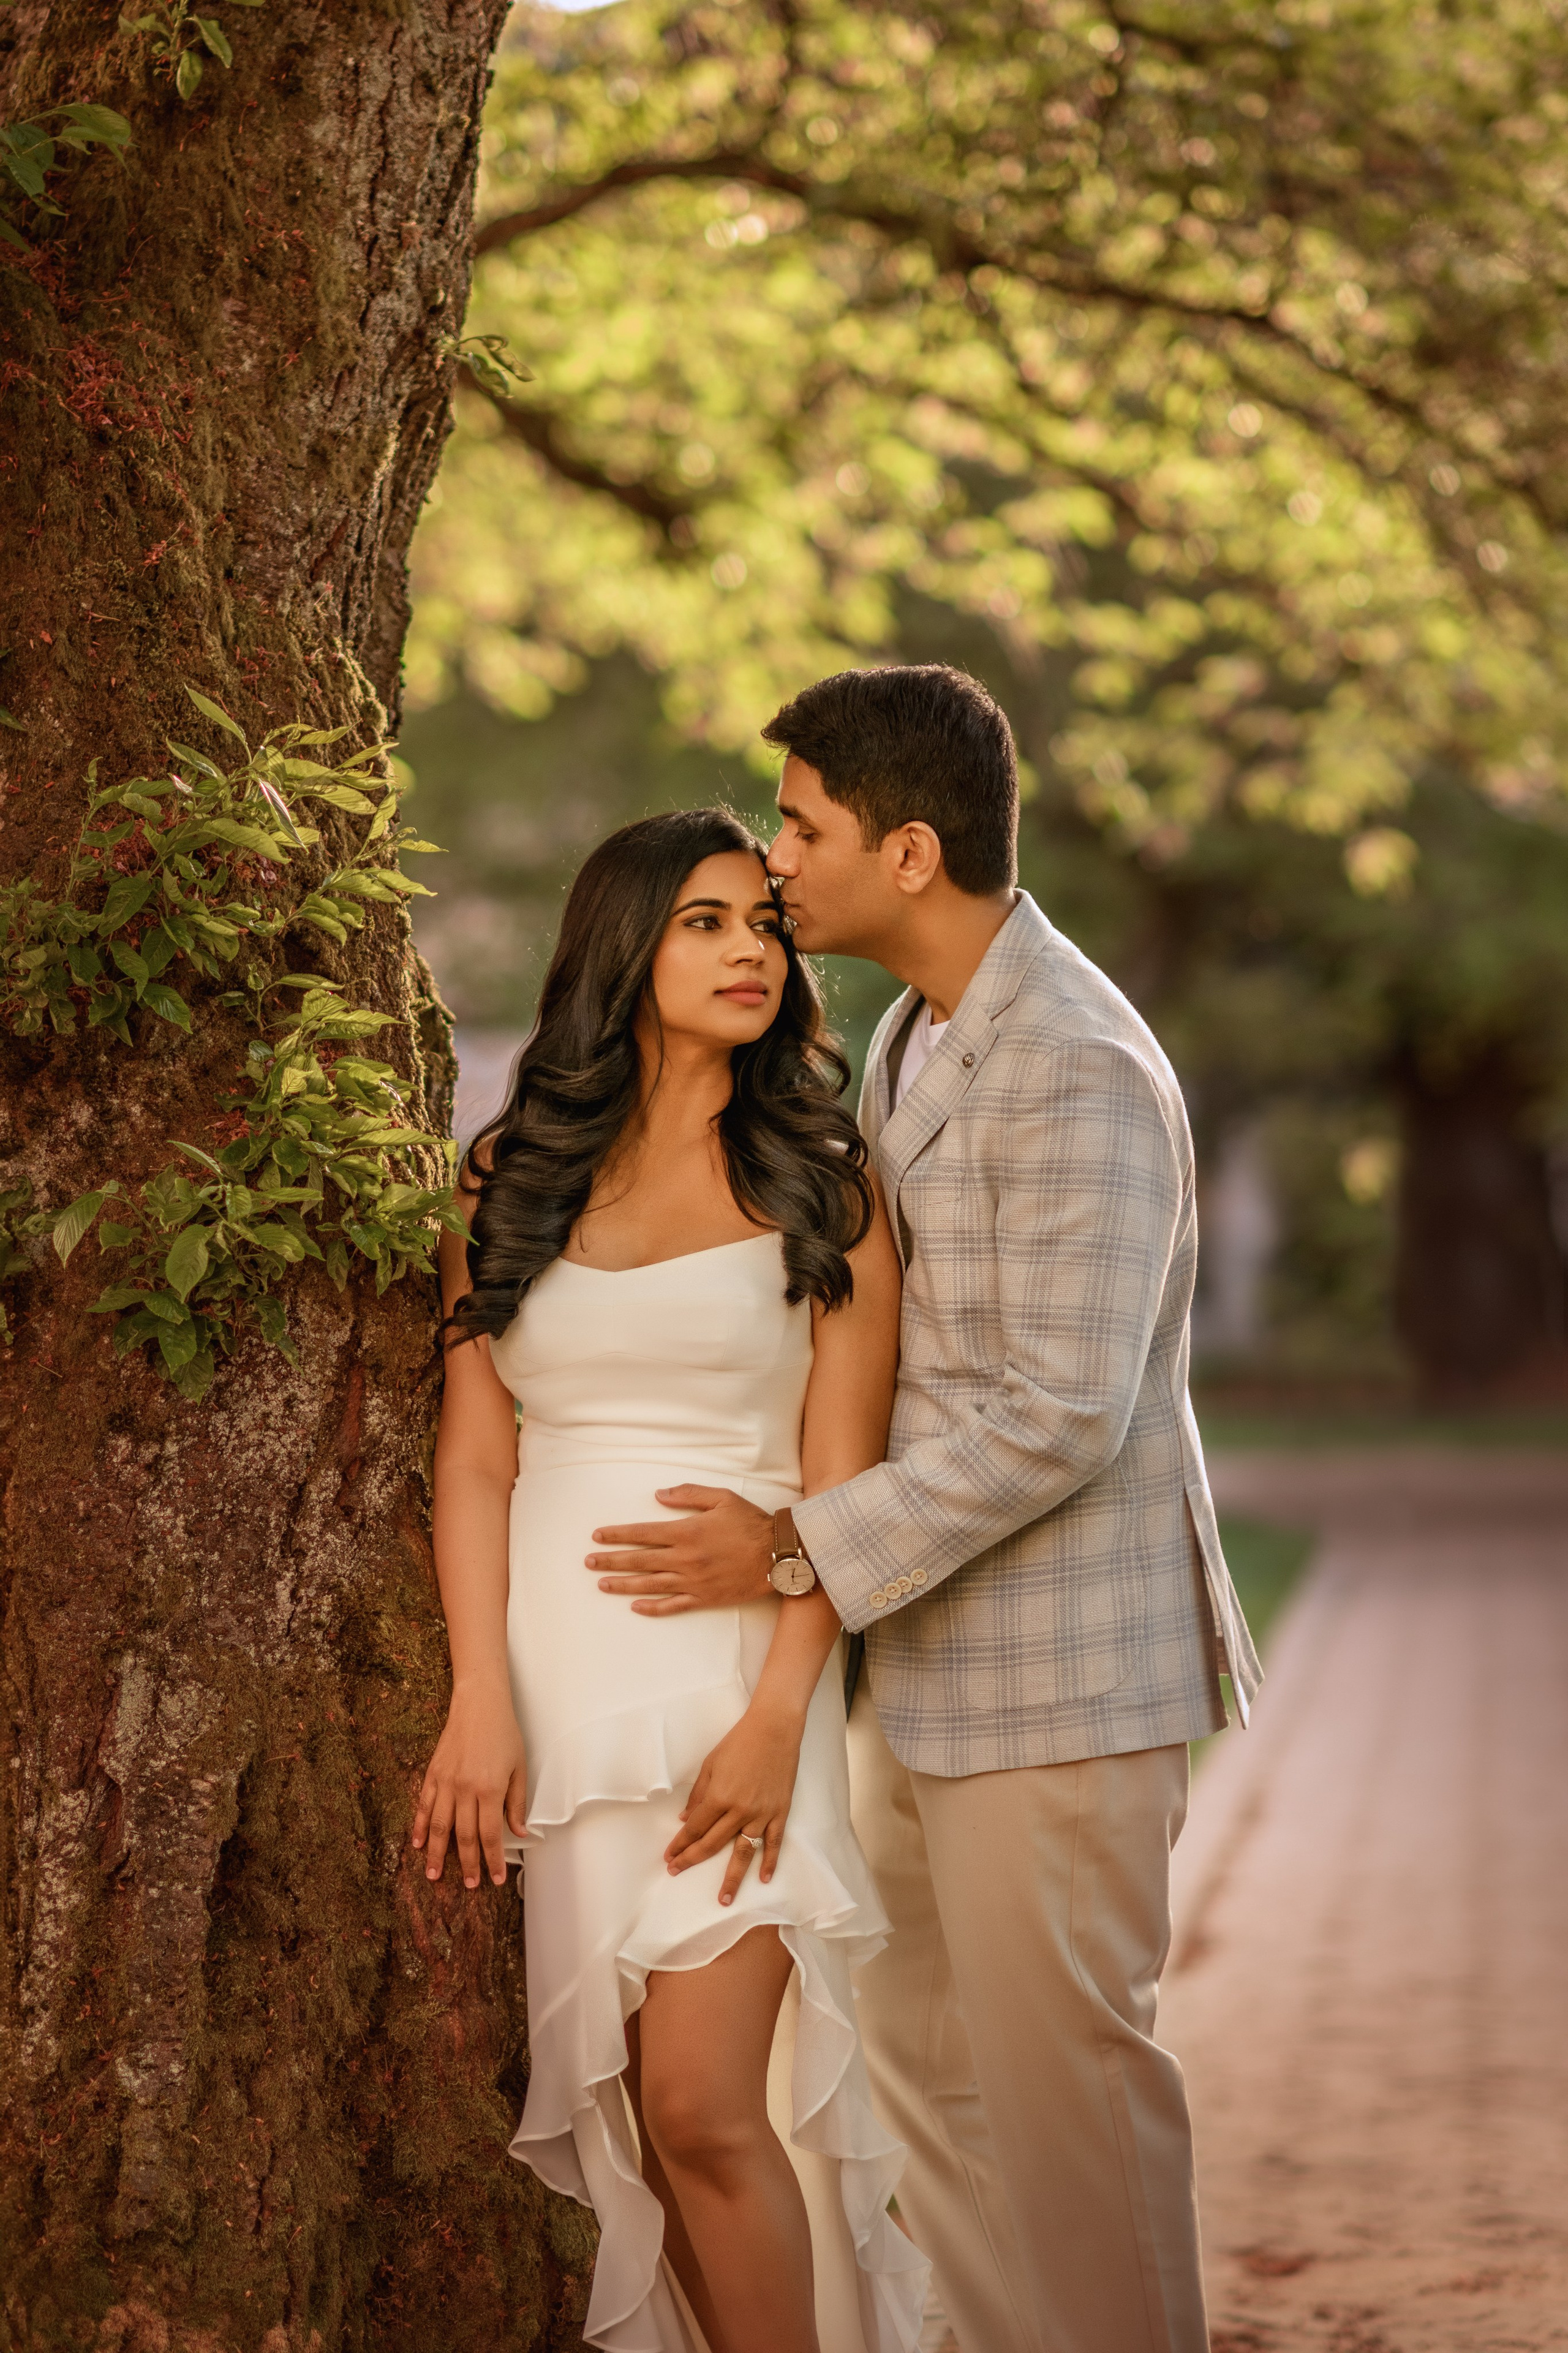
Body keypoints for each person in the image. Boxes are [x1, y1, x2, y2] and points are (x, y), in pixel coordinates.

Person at [586, 666, 1264, 2353]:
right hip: (934, 1679)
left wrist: (799, 1544)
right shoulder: (919, 1027)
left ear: (907, 850)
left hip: (1063, 1686)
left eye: (802, 830)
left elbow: (1060, 1409)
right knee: (940, 2103)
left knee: (1072, 2114)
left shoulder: (1079, 1062)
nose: (777, 863)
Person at [411, 809, 929, 2353]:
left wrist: (782, 1714)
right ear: (624, 946)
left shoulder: (823, 1186)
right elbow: (476, 1457)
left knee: (708, 2107)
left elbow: (840, 1487)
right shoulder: (506, 1176)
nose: (748, 949)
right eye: (706, 920)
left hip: (734, 1687)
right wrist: (477, 1700)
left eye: (762, 923)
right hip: (556, 1698)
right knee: (641, 2119)